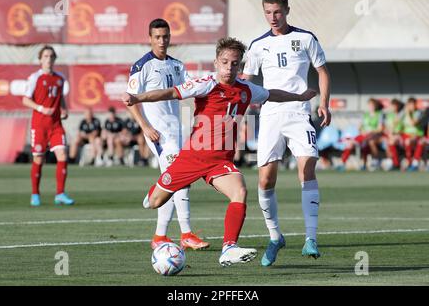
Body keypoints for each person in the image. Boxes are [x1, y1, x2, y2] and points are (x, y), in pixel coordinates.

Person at [122, 37, 317, 266]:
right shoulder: (206, 84)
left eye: (235, 63)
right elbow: (169, 93)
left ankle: (228, 248)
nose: (229, 68)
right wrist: (136, 98)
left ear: (240, 65)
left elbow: (272, 94)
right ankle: (156, 190)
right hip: (192, 157)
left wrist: (300, 97)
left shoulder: (246, 89)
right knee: (153, 203)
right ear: (216, 62)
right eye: (224, 62)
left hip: (219, 162)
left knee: (240, 191)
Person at [240, 0, 331, 266]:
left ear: (287, 10)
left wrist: (324, 103)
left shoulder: (305, 38)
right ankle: (275, 236)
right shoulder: (257, 45)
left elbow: (323, 71)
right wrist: (235, 111)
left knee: (307, 168)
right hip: (270, 115)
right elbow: (245, 80)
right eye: (268, 13)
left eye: (277, 12)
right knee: (266, 180)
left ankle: (310, 238)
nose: (273, 17)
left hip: (299, 112)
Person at [125, 18, 209, 250]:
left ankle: (159, 236)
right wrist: (145, 127)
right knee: (179, 180)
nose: (162, 41)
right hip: (158, 134)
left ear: (170, 37)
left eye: (165, 36)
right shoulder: (142, 66)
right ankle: (186, 234)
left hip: (178, 130)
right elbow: (129, 99)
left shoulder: (177, 65)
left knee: (173, 182)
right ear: (150, 38)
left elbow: (193, 89)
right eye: (157, 37)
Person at [22, 45, 74, 206]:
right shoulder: (35, 78)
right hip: (39, 126)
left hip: (56, 125)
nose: (49, 59)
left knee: (63, 155)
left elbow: (60, 99)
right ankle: (35, 194)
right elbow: (25, 99)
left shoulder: (59, 78)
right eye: (45, 56)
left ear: (54, 59)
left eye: (51, 56)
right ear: (40, 59)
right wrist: (40, 108)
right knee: (39, 158)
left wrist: (63, 109)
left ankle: (60, 193)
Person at [341, 98, 385, 170]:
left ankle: (375, 161)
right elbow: (360, 127)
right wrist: (362, 131)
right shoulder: (366, 115)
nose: (371, 107)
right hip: (364, 135)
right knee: (351, 143)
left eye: (372, 105)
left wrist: (371, 131)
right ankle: (343, 162)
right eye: (369, 105)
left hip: (373, 135)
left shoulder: (379, 114)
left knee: (369, 142)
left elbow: (380, 129)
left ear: (375, 106)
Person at [403, 97, 426, 171]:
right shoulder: (404, 113)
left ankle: (414, 162)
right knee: (392, 141)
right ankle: (408, 162)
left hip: (417, 135)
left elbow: (413, 123)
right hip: (405, 135)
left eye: (413, 104)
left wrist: (408, 114)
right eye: (410, 105)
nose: (411, 106)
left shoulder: (419, 112)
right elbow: (396, 123)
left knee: (415, 141)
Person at [384, 99, 404, 170]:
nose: (393, 107)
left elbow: (402, 128)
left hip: (399, 135)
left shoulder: (401, 115)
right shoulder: (389, 115)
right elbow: (386, 128)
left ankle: (396, 163)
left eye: (395, 106)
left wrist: (394, 134)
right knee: (387, 142)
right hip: (389, 135)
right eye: (392, 106)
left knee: (391, 142)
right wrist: (389, 134)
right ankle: (392, 162)